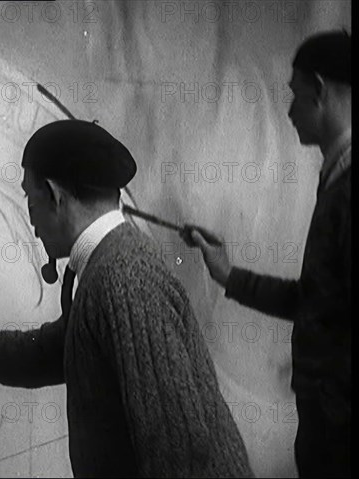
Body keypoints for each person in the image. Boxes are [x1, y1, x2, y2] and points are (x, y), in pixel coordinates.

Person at [0, 119, 254, 477]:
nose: (30, 218)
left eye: (30, 198)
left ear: (56, 196)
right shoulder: (106, 266)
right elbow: (46, 353)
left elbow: (182, 451)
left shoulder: (124, 278)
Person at [181, 31, 351, 478]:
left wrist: (335, 414)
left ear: (320, 89)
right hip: (325, 424)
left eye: (296, 95)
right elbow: (317, 301)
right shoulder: (336, 178)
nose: (289, 110)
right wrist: (227, 275)